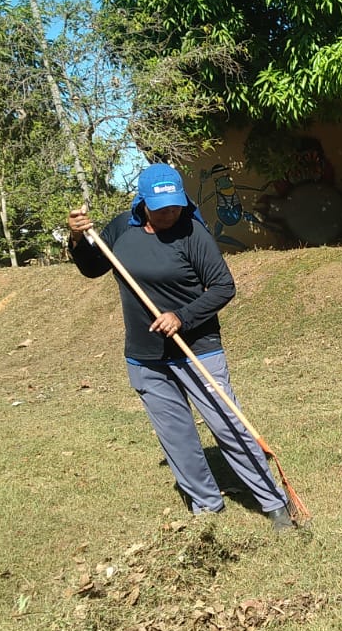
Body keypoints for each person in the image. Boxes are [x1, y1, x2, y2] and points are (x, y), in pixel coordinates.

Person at [66, 164, 294, 531]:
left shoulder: (192, 232)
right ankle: (207, 509)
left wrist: (181, 318)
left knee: (229, 427)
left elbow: (223, 287)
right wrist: (78, 238)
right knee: (178, 439)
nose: (169, 213)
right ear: (142, 202)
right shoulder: (121, 228)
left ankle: (275, 504)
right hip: (146, 357)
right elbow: (93, 268)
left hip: (198, 348)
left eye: (175, 205)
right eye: (161, 207)